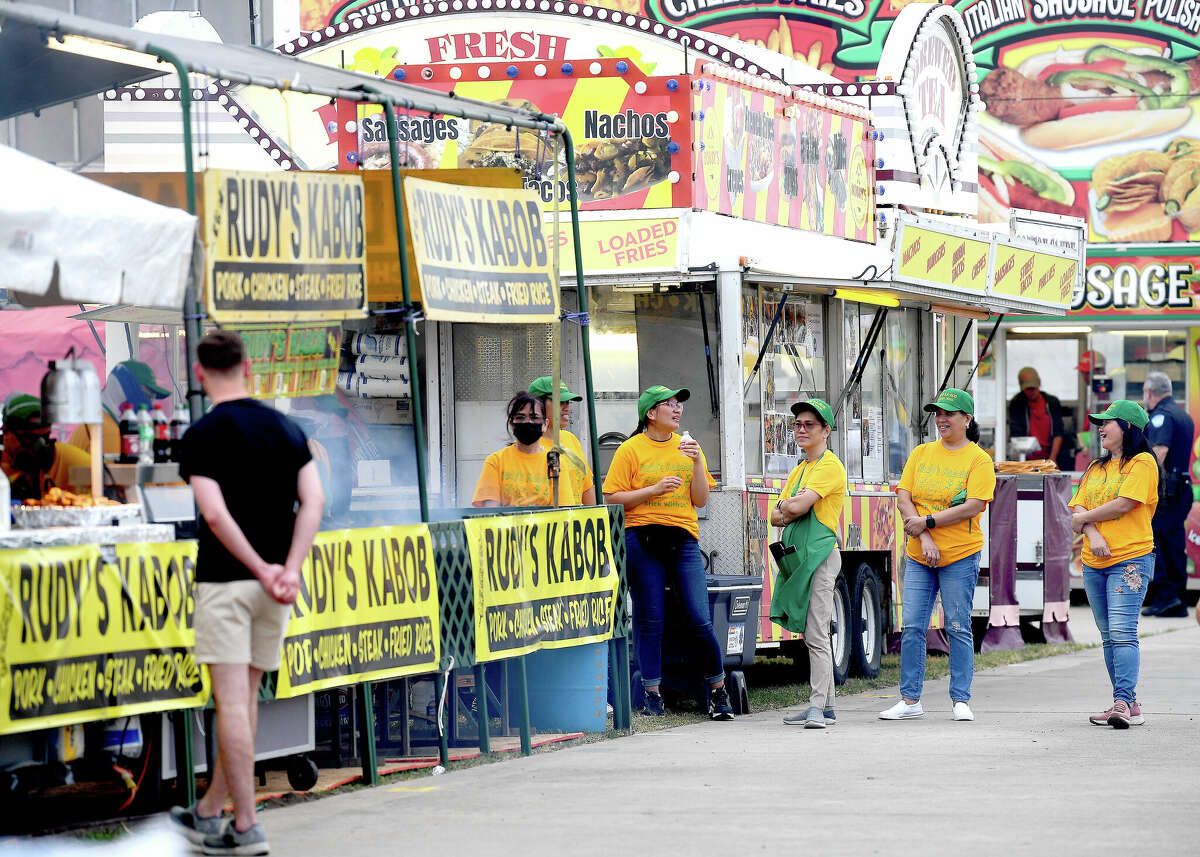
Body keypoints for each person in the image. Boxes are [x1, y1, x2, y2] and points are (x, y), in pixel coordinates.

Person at [169, 332, 323, 855]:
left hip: (226, 583)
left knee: (230, 703)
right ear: (249, 367)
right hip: (273, 588)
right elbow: (315, 501)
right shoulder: (285, 427)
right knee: (247, 700)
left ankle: (246, 826)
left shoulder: (203, 434)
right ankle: (211, 811)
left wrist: (259, 568)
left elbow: (212, 514)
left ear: (199, 373)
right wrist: (288, 571)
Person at [602, 385, 734, 721]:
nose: (677, 410)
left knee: (699, 618)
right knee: (651, 620)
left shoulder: (688, 447)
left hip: (683, 539)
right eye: (669, 405)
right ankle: (652, 695)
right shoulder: (630, 450)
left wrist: (698, 460)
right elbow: (611, 498)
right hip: (642, 539)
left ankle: (719, 693)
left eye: (679, 405)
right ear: (651, 414)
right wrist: (653, 490)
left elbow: (701, 499)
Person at [881, 388, 995, 723]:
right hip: (920, 553)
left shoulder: (978, 460)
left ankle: (960, 700)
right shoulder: (921, 453)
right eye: (937, 414)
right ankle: (910, 699)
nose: (941, 420)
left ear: (966, 419)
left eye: (949, 414)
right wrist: (926, 536)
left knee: (958, 625)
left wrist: (928, 521)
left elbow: (973, 506)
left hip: (960, 554)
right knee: (913, 626)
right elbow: (904, 496)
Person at [1069, 400, 1160, 729]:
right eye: (1100, 422)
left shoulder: (1143, 463)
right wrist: (1092, 533)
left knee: (1123, 634)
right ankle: (1128, 703)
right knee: (1108, 636)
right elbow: (1076, 508)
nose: (1101, 427)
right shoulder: (1096, 467)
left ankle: (1122, 702)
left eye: (1108, 422)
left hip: (1130, 559)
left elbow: (1124, 504)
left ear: (1129, 428)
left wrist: (1085, 522)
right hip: (1094, 562)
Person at [771, 398, 847, 729]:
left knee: (816, 632)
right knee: (810, 631)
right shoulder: (800, 468)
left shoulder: (830, 466)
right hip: (799, 557)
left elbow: (795, 509)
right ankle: (826, 705)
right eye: (797, 425)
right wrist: (790, 505)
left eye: (809, 425)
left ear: (826, 431)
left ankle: (817, 706)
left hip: (820, 555)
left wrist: (790, 505)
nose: (801, 430)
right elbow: (776, 514)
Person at [1141, 371, 1193, 618]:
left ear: (1149, 393)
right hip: (1182, 487)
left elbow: (1158, 453)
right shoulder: (1182, 414)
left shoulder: (1161, 416)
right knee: (1174, 543)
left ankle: (1166, 597)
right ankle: (1177, 598)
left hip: (1168, 491)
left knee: (1160, 542)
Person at [472, 391, 583, 508]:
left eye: (534, 417)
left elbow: (563, 513)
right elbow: (490, 514)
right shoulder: (496, 461)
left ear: (545, 424)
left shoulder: (555, 462)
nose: (527, 422)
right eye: (520, 417)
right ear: (511, 423)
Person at [67, 359, 171, 455]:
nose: (150, 406)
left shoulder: (101, 421)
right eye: (147, 396)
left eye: (152, 398)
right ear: (126, 390)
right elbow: (117, 475)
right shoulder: (107, 432)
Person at [2, 393, 92, 500]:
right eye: (29, 437)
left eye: (45, 436)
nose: (39, 447)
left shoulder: (74, 461)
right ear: (6, 432)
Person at [527, 375, 596, 505]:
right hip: (547, 523)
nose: (566, 407)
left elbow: (587, 488)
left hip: (575, 522)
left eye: (568, 402)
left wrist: (595, 521)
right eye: (559, 402)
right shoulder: (528, 446)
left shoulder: (570, 439)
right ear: (537, 406)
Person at [1007, 366, 1066, 466]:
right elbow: (1016, 435)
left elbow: (1058, 432)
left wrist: (1052, 458)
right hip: (1025, 459)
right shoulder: (1017, 404)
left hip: (1049, 456)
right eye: (1027, 389)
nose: (1031, 392)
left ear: (1039, 383)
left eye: (1033, 388)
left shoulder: (1052, 402)